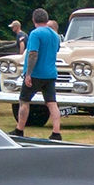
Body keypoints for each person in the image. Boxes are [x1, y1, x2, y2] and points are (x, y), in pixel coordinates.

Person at [14, 7, 62, 140]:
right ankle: (56, 132)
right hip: (51, 73)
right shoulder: (55, 35)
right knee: (52, 103)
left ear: (34, 19)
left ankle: (19, 129)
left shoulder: (35, 34)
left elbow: (33, 54)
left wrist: (28, 73)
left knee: (24, 101)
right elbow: (56, 50)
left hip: (36, 74)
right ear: (46, 19)